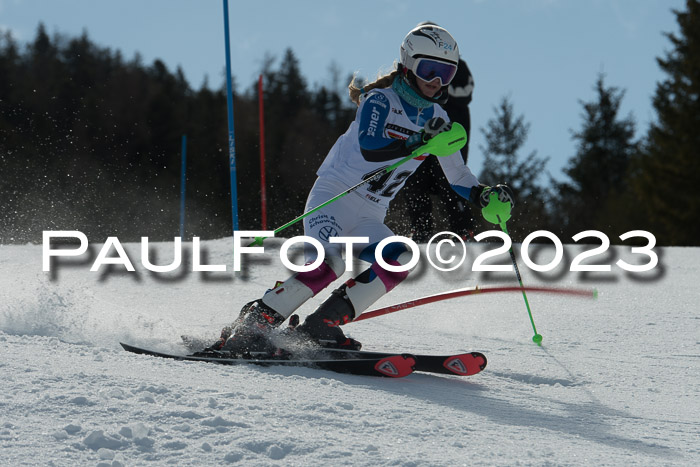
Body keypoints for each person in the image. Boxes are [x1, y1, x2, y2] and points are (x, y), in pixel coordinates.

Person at [213, 24, 514, 353]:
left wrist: (482, 195)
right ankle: (257, 320)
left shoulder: (439, 117)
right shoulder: (379, 100)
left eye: (446, 73)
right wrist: (419, 140)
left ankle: (322, 324)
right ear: (409, 64)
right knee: (329, 265)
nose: (436, 81)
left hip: (370, 213)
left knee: (399, 258)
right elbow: (372, 146)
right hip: (333, 198)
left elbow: (457, 174)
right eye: (430, 69)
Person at [402, 23, 476, 242]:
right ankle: (420, 230)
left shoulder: (457, 66)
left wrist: (440, 85)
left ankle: (463, 230)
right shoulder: (417, 72)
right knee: (415, 179)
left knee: (450, 180)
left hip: (451, 131)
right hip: (422, 132)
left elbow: (467, 91)